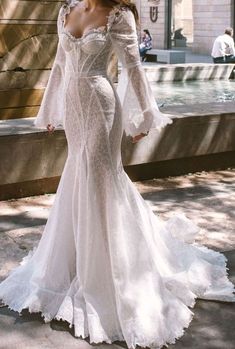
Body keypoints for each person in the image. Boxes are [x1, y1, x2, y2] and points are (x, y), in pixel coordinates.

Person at [0, 1, 234, 348]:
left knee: (100, 181)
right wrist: (49, 109)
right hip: (75, 110)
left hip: (101, 106)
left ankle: (111, 269)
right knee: (78, 177)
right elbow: (61, 65)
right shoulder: (66, 10)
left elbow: (133, 68)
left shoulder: (118, 15)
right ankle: (76, 261)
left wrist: (143, 117)